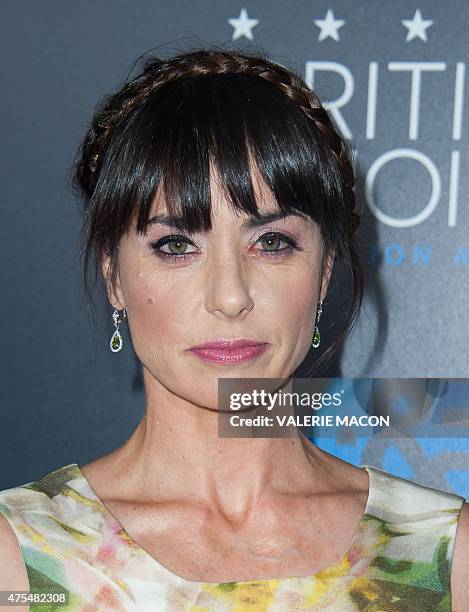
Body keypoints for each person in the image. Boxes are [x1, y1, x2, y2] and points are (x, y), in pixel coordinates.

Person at [0, 47, 468, 611]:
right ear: (114, 276)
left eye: (271, 243)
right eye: (176, 245)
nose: (230, 296)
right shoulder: (22, 556)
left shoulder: (442, 554)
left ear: (323, 273)